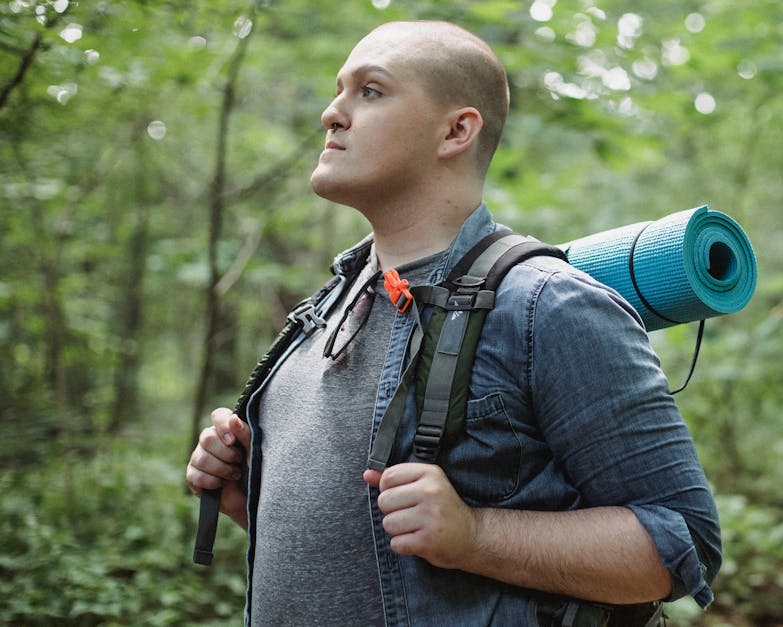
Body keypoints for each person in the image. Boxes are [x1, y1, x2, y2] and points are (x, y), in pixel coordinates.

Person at [185, 20, 721, 625]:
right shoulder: (324, 312)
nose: (332, 114)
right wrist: (248, 497)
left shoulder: (549, 306)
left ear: (456, 131)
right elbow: (369, 553)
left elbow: (683, 543)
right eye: (339, 89)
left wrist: (476, 536)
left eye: (371, 90)